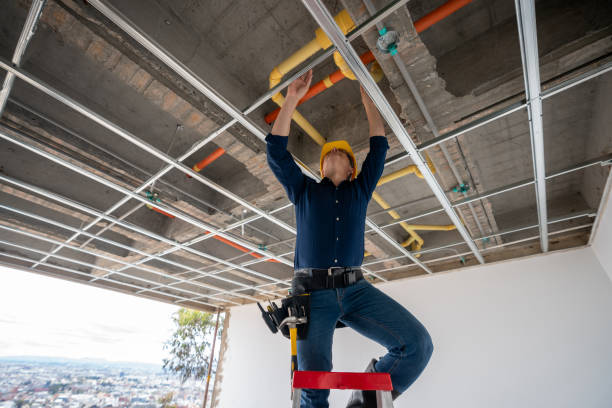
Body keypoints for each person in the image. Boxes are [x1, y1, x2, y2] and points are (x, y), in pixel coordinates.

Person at [265, 70, 433, 408]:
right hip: (313, 295)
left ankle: (364, 403)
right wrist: (292, 100)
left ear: (352, 168)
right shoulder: (305, 191)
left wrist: (369, 100)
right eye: (328, 154)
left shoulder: (360, 191)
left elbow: (380, 147)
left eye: (340, 152)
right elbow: (276, 152)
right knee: (314, 383)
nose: (333, 153)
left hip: (357, 290)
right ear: (322, 167)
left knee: (418, 345)